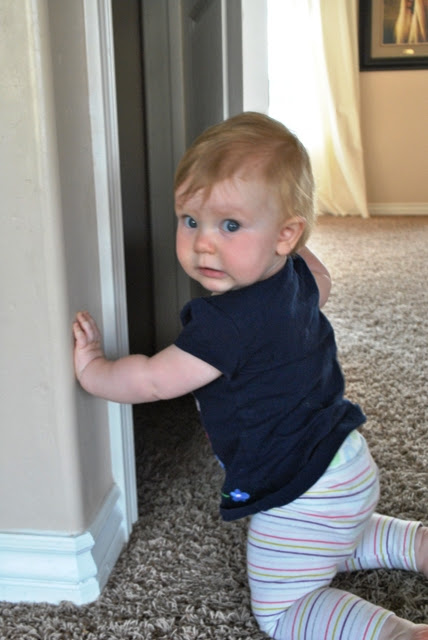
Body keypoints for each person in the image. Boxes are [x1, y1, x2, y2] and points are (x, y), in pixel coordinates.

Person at [73, 112, 428, 640]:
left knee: (283, 611)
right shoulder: (298, 276)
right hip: (346, 465)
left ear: (286, 235)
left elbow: (153, 380)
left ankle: (396, 633)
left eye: (231, 226)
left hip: (299, 493)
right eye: (190, 220)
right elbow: (324, 279)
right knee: (338, 538)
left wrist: (94, 370)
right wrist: (285, 243)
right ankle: (417, 543)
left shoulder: (226, 325)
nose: (204, 243)